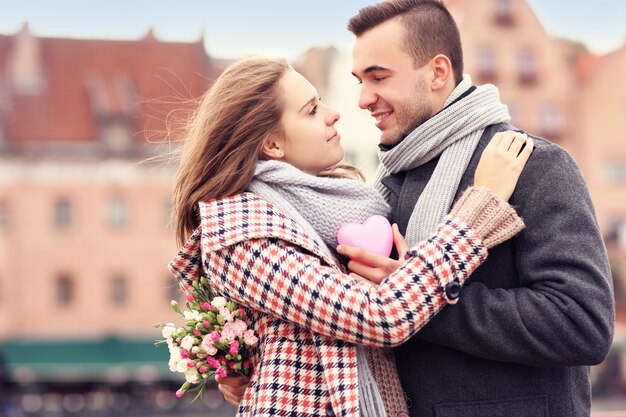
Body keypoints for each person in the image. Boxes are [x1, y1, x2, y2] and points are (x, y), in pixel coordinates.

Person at [218, 1, 615, 416]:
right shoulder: (380, 190)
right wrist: (250, 361)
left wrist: (424, 301)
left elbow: (582, 324)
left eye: (379, 77)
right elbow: (340, 317)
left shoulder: (530, 165)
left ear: (438, 73)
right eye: (359, 80)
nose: (362, 99)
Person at [168, 55, 532, 417]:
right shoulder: (241, 236)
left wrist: (243, 359)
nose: (333, 113)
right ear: (273, 145)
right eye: (311, 110)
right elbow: (381, 316)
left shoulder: (328, 206)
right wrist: (478, 210)